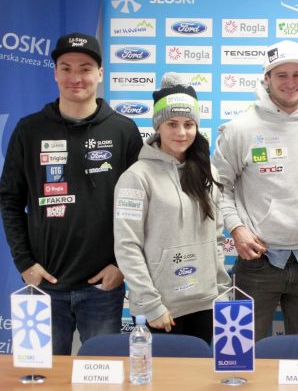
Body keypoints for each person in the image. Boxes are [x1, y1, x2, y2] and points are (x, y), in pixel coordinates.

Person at [0, 32, 143, 354]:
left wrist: (122, 264)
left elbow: (140, 205)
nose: (75, 77)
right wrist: (25, 263)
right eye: (66, 68)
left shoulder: (123, 130)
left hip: (102, 287)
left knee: (103, 377)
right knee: (38, 378)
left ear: (100, 73)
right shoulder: (29, 129)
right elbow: (9, 200)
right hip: (42, 285)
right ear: (54, 72)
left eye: (85, 68)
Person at [212, 40, 298, 341]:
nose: (291, 83)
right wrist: (237, 229)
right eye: (281, 75)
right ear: (266, 78)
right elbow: (219, 187)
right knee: (241, 355)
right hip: (258, 262)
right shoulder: (240, 128)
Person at [114, 73, 231, 344]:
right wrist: (150, 304)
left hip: (205, 302)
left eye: (189, 124)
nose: (181, 132)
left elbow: (216, 237)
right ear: (158, 126)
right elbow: (127, 246)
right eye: (172, 124)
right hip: (160, 308)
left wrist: (221, 291)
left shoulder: (207, 171)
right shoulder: (136, 177)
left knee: (200, 381)